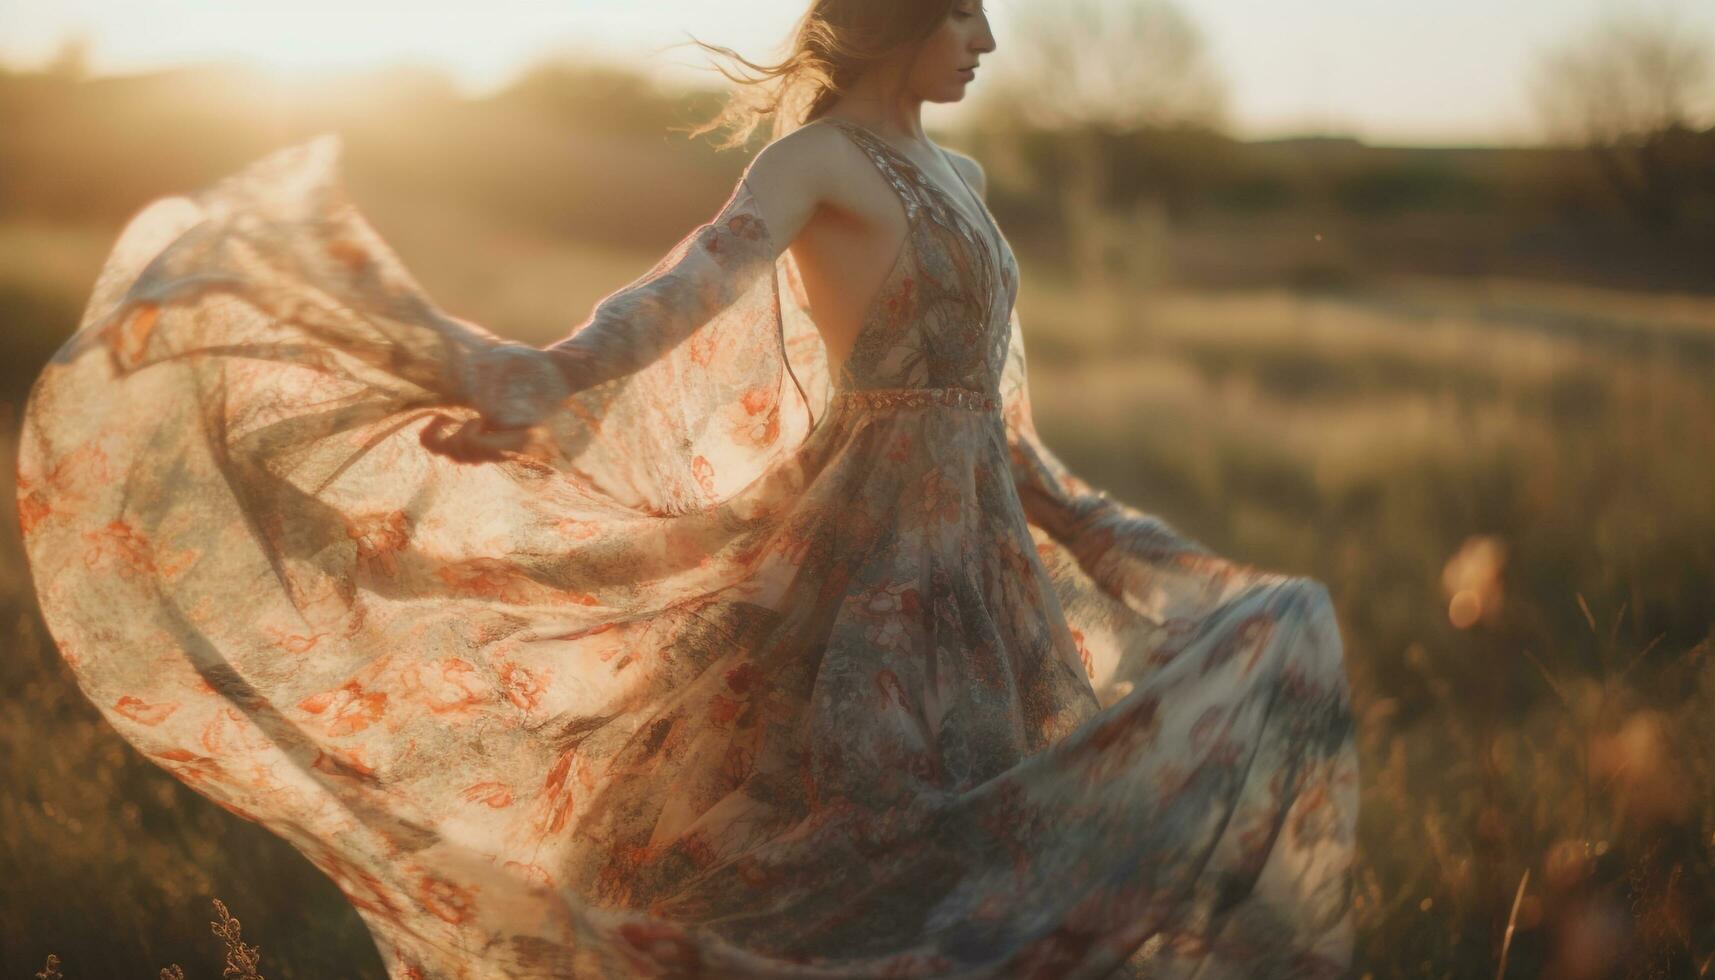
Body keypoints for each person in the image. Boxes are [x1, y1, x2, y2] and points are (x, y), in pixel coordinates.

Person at [17, 0, 1358, 976]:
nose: (990, 41)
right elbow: (682, 291)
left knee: (981, 848)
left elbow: (996, 417)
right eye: (964, 10)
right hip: (862, 567)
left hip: (983, 566)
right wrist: (546, 377)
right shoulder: (819, 163)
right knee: (839, 844)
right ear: (897, 16)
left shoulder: (968, 176)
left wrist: (1115, 542)